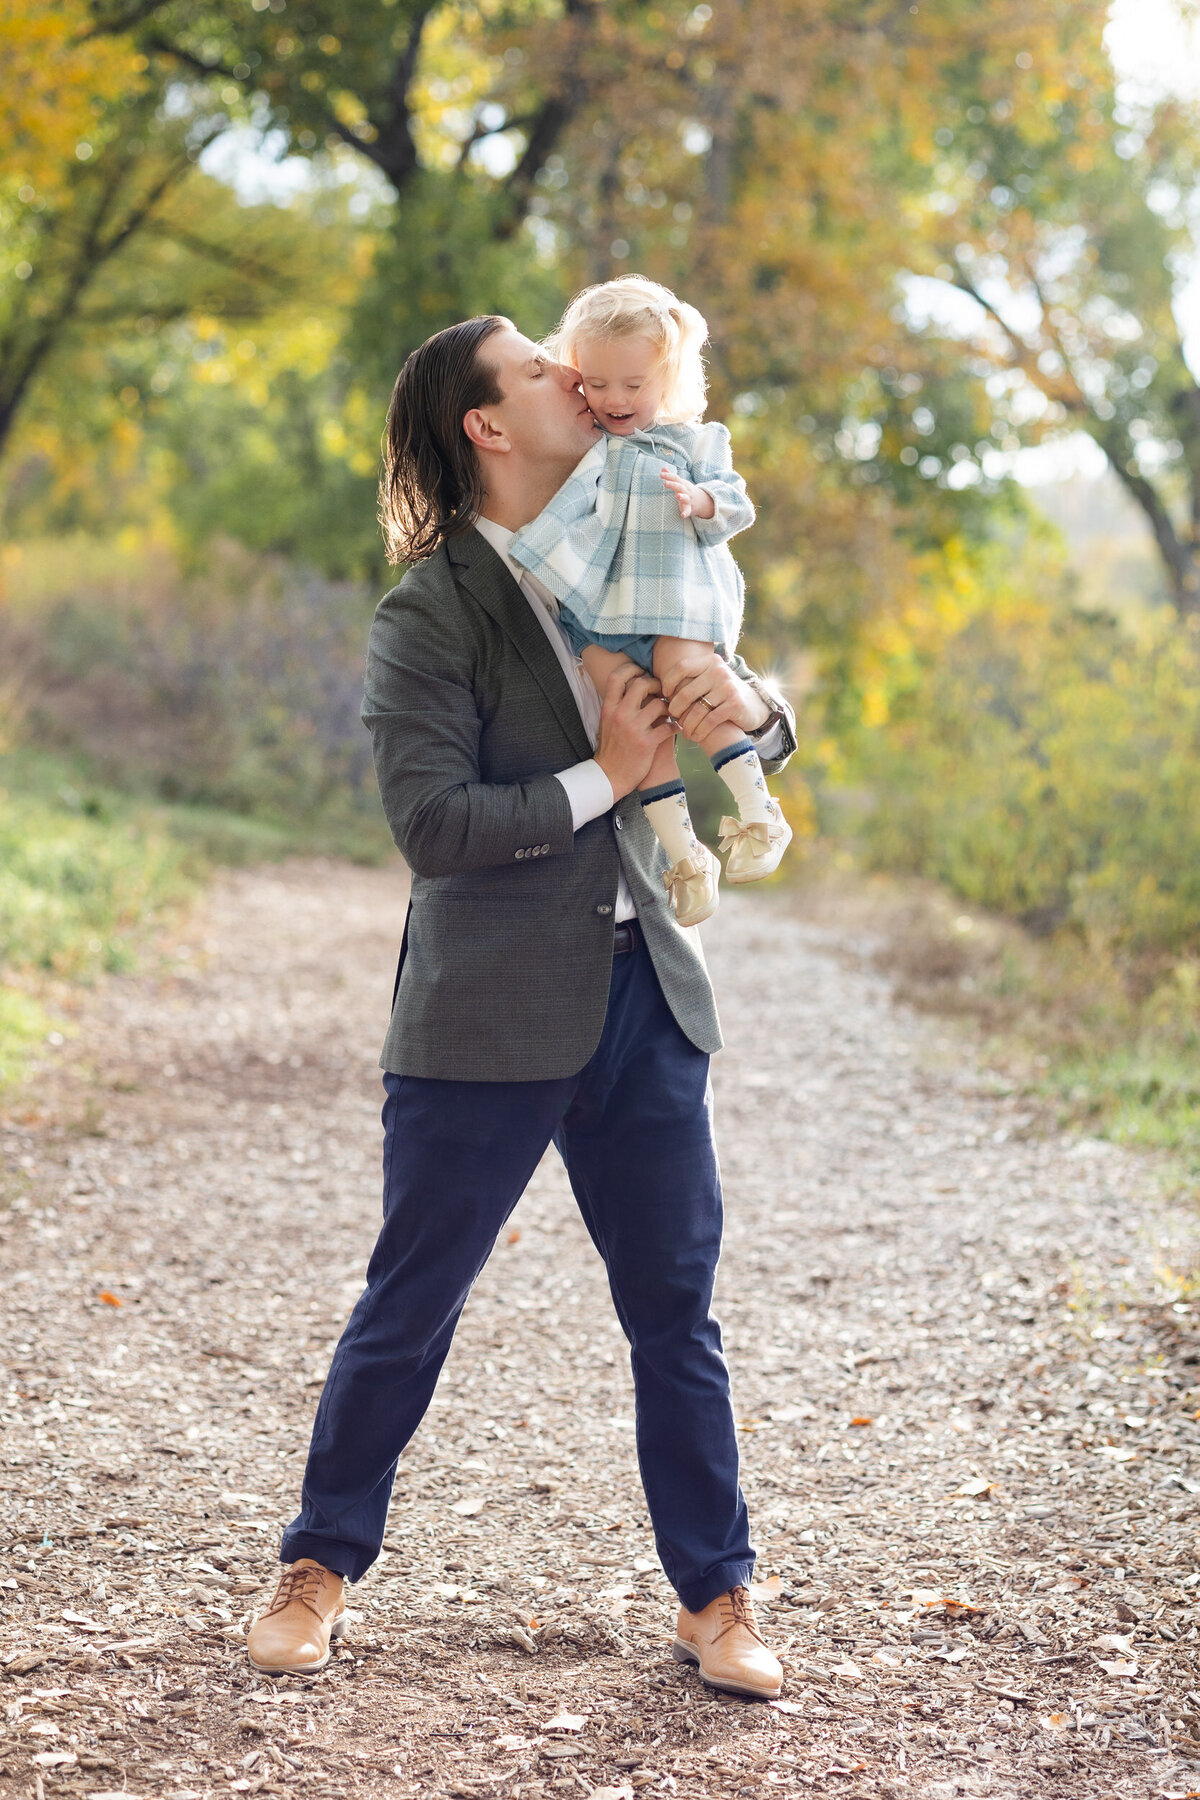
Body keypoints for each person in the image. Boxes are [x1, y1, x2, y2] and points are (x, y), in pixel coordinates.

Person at [245, 315, 796, 1702]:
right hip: (482, 1013)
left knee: (677, 1310)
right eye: (543, 370)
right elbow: (434, 825)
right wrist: (614, 772)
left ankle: (717, 1598)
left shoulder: (640, 523)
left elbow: (734, 695)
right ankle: (317, 1568)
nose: (578, 377)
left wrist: (753, 710)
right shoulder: (428, 611)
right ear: (491, 426)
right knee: (410, 1302)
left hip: (646, 1003)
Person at [509, 275, 792, 930]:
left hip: (674, 599)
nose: (613, 399)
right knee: (633, 721)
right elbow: (563, 517)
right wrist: (526, 554)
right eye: (596, 383)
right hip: (603, 612)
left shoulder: (696, 442)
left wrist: (700, 503)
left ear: (666, 380)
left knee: (692, 687)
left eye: (632, 386)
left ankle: (758, 813)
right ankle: (685, 855)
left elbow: (737, 502)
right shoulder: (588, 454)